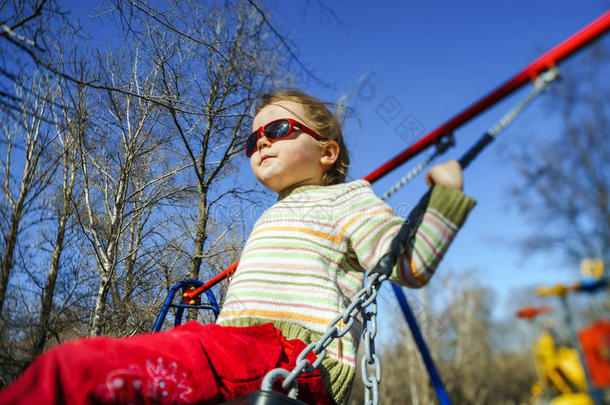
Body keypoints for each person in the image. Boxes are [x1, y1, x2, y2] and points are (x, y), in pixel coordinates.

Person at [0, 91, 475, 405]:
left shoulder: (346, 196)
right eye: (252, 140)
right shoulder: (272, 214)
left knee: (75, 372)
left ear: (327, 152)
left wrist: (445, 196)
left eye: (279, 130)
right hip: (240, 350)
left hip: (294, 356)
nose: (261, 142)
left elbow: (407, 262)